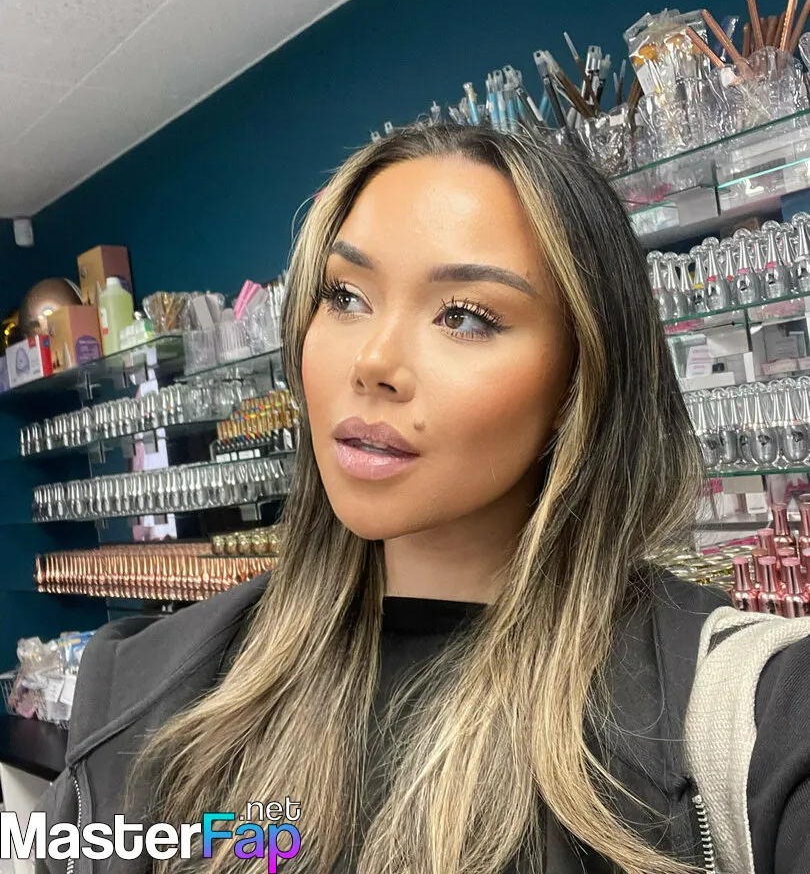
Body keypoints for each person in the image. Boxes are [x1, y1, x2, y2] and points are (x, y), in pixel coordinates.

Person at [36, 125, 810, 874]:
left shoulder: (756, 715)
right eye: (345, 296)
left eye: (464, 316)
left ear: (582, 378)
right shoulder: (145, 690)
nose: (372, 360)